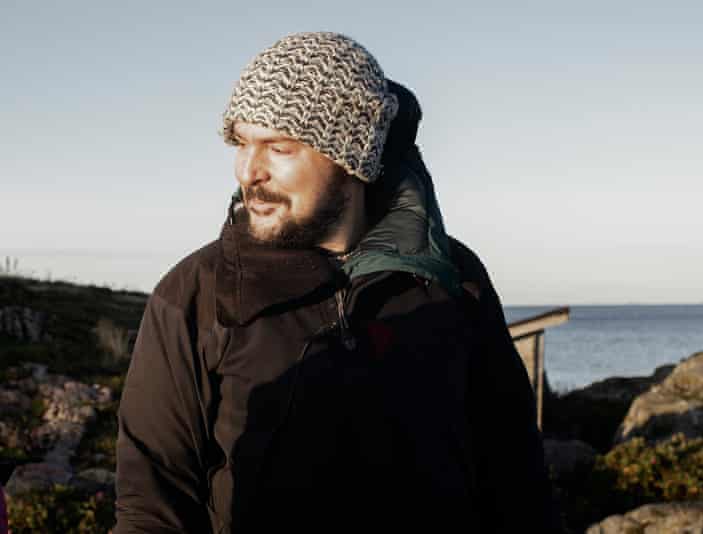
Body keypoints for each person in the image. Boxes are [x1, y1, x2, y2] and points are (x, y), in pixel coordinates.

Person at [113, 32, 560, 534]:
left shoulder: (454, 278)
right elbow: (152, 507)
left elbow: (516, 480)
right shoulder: (193, 294)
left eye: (278, 147)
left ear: (353, 158)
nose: (248, 171)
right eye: (241, 142)